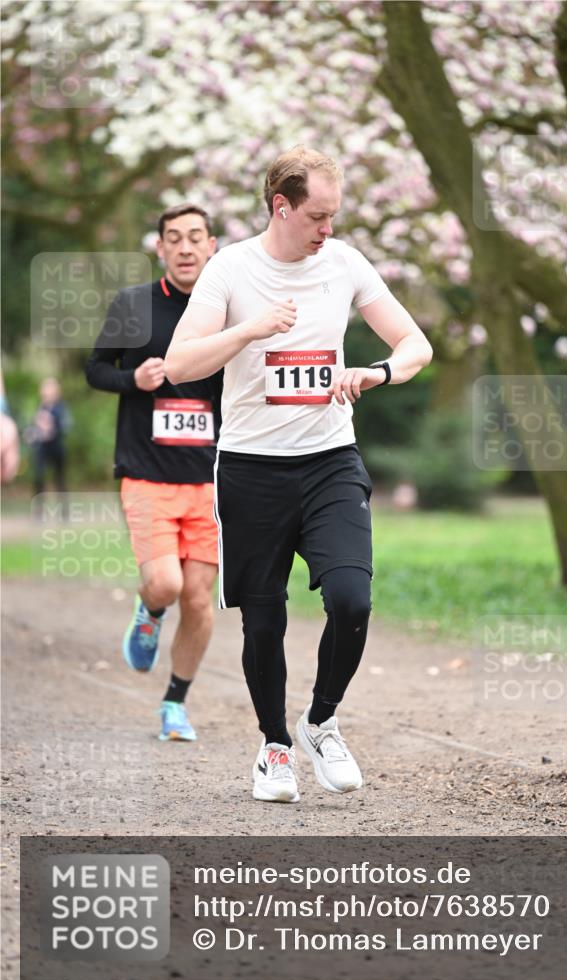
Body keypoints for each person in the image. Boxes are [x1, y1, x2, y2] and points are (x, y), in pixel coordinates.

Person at [165, 147, 432, 801]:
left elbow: (415, 343)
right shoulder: (231, 269)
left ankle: (319, 722)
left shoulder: (343, 264)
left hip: (328, 461)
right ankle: (274, 748)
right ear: (280, 207)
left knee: (351, 599)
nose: (327, 229)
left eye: (333, 215)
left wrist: (376, 372)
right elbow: (179, 364)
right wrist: (249, 330)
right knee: (264, 621)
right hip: (252, 470)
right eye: (317, 215)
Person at [86, 204, 221, 742]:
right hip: (146, 473)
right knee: (167, 584)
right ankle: (148, 607)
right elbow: (96, 369)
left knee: (198, 598)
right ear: (160, 248)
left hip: (210, 478)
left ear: (212, 246)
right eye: (174, 238)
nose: (186, 248)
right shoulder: (133, 305)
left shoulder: (229, 311)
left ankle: (174, 703)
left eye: (195, 237)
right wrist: (133, 381)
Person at [27, 377, 71, 513]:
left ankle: (64, 512)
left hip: (57, 447)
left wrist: (53, 428)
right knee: (38, 477)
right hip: (42, 448)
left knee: (60, 480)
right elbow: (35, 429)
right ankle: (38, 511)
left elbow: (66, 426)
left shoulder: (61, 408)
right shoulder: (41, 407)